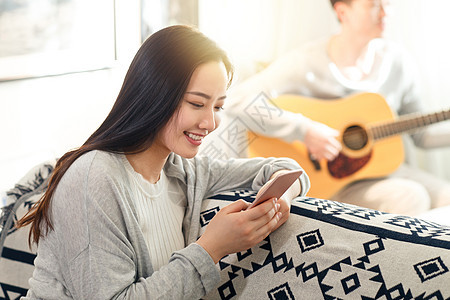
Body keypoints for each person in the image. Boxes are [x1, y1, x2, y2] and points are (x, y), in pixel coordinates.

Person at [16, 25, 310, 299]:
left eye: (218, 106)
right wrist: (212, 248)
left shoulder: (184, 172)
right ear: (154, 95)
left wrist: (283, 195)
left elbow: (286, 170)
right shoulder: (94, 177)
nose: (210, 122)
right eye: (197, 103)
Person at [203, 0, 450, 216]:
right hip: (329, 180)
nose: (386, 12)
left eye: (388, 3)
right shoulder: (306, 63)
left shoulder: (399, 64)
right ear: (343, 11)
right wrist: (304, 130)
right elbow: (238, 100)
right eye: (374, 4)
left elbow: (422, 137)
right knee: (411, 197)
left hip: (382, 169)